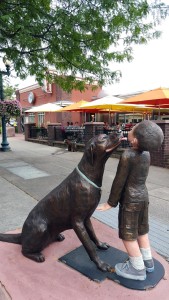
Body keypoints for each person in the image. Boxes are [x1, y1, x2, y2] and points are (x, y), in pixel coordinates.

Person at [97, 120, 164, 281]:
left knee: (128, 235)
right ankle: (148, 262)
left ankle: (137, 269)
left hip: (130, 201)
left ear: (135, 140)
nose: (130, 130)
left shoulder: (128, 155)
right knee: (142, 230)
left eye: (132, 130)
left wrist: (110, 203)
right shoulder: (147, 154)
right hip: (143, 197)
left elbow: (119, 181)